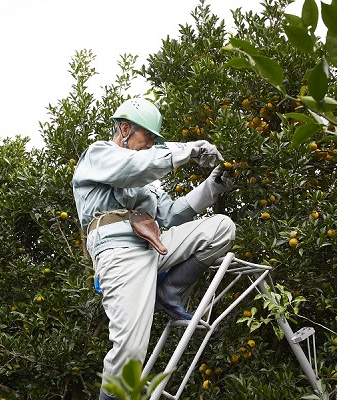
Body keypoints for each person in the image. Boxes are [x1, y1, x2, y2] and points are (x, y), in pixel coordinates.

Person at [72, 98, 236, 400]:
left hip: (154, 246)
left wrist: (213, 186)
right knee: (131, 352)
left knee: (221, 228)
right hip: (120, 253)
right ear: (124, 129)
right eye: (147, 137)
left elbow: (171, 215)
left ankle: (169, 291)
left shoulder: (145, 175)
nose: (150, 145)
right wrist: (187, 149)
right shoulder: (100, 155)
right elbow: (133, 169)